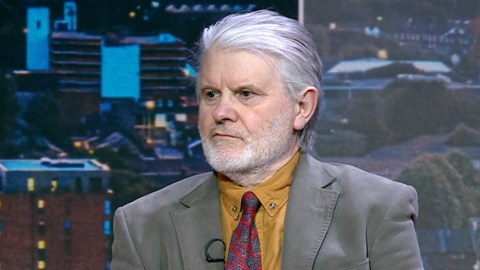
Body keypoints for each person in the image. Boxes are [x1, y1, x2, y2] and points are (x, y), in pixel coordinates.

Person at [111, 10, 424, 270]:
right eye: (211, 94)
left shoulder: (377, 209)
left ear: (301, 108)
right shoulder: (141, 225)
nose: (221, 112)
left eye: (245, 94)